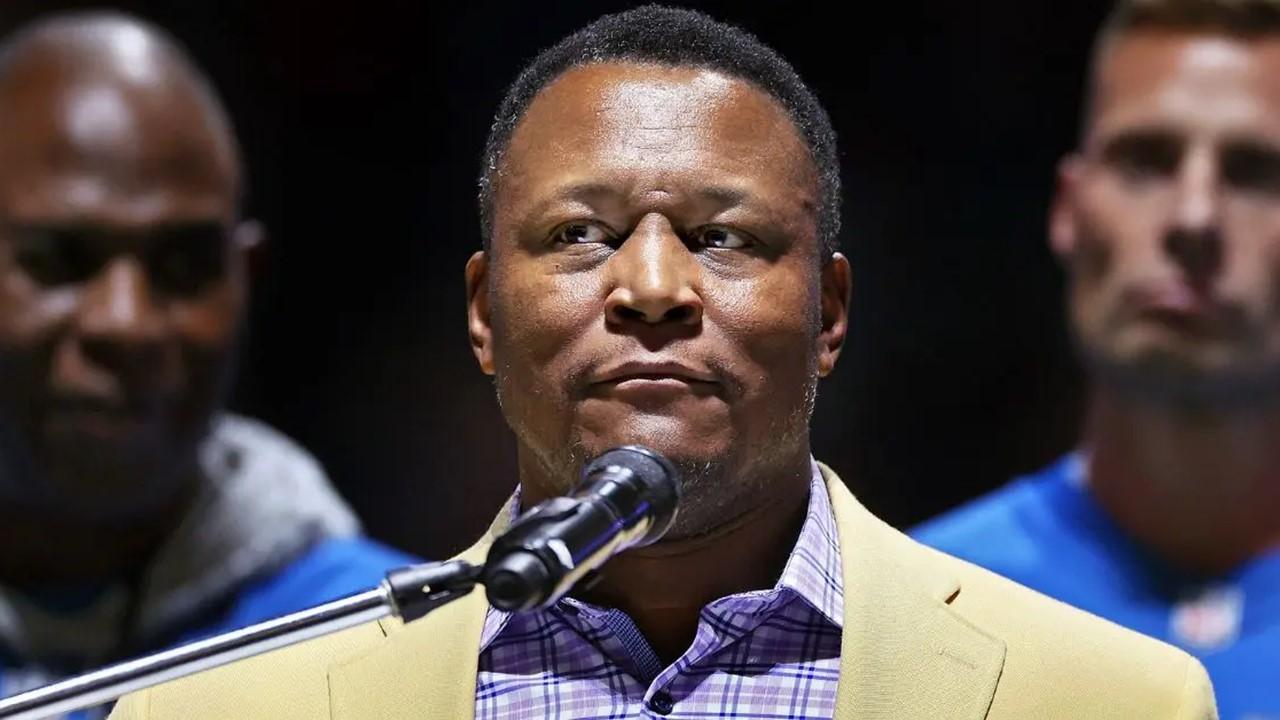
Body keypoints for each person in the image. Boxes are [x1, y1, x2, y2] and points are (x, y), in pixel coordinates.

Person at [112, 6, 1215, 719]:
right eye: (577, 234)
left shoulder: (1111, 700)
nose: (650, 287)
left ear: (829, 314)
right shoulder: (211, 709)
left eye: (722, 238)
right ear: (482, 313)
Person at [0, 12, 414, 717]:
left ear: (245, 280)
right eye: (60, 261)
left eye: (183, 265)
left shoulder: (382, 641)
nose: (125, 322)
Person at [913, 1, 1280, 717]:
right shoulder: (920, 606)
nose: (1194, 218)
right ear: (1068, 211)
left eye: (1255, 172)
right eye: (1144, 161)